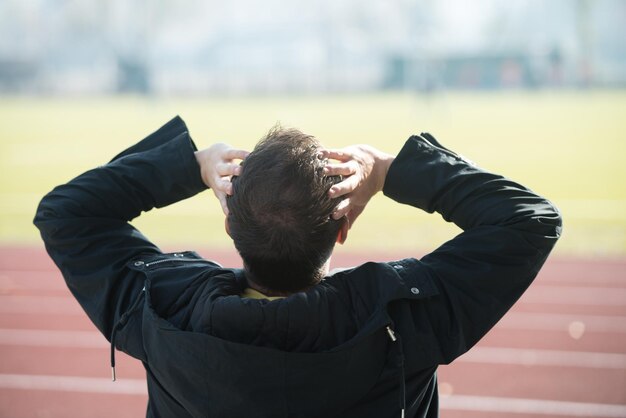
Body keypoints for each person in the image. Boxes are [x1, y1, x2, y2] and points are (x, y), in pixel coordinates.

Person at [34, 116, 562, 418]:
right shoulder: (403, 315)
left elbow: (66, 212)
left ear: (229, 227)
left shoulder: (163, 307)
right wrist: (387, 170)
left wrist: (190, 165)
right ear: (343, 228)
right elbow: (528, 220)